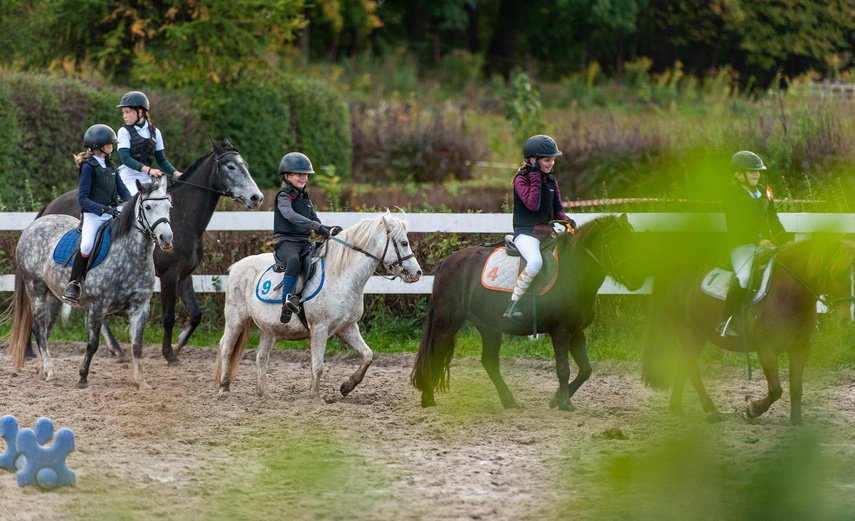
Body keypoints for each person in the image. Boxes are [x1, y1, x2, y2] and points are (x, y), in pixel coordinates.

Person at [716, 150, 786, 337]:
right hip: (741, 245)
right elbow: (739, 225)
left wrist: (785, 240)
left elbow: (773, 219)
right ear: (739, 174)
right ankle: (726, 321)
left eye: (758, 171)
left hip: (763, 244)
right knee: (745, 276)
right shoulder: (732, 195)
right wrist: (758, 240)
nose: (757, 174)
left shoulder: (763, 191)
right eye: (751, 171)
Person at [503, 134, 573, 319]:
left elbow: (557, 209)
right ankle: (513, 305)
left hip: (545, 233)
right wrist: (534, 174)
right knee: (535, 262)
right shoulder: (521, 179)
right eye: (547, 160)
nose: (551, 164)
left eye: (553, 160)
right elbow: (533, 204)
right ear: (533, 160)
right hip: (526, 234)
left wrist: (566, 220)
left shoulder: (551, 181)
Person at [63, 124, 132, 302]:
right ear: (100, 146)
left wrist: (134, 203)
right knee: (86, 245)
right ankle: (74, 283)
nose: (113, 146)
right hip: (94, 216)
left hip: (112, 214)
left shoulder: (111, 164)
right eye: (111, 144)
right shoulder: (88, 166)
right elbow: (83, 199)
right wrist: (102, 209)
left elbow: (123, 191)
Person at [273, 152, 342, 323]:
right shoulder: (284, 196)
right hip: (287, 242)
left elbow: (314, 220)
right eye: (298, 174)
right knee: (294, 261)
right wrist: (317, 227)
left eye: (305, 175)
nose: (303, 178)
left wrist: (328, 230)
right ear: (287, 176)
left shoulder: (305, 198)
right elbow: (290, 215)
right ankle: (287, 300)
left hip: (305, 242)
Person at [115, 90, 182, 196]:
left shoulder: (155, 132)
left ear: (140, 112)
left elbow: (161, 160)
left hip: (147, 179)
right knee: (136, 197)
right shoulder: (123, 131)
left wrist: (175, 173)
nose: (124, 116)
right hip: (129, 178)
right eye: (123, 112)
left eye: (127, 112)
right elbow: (125, 159)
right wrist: (149, 170)